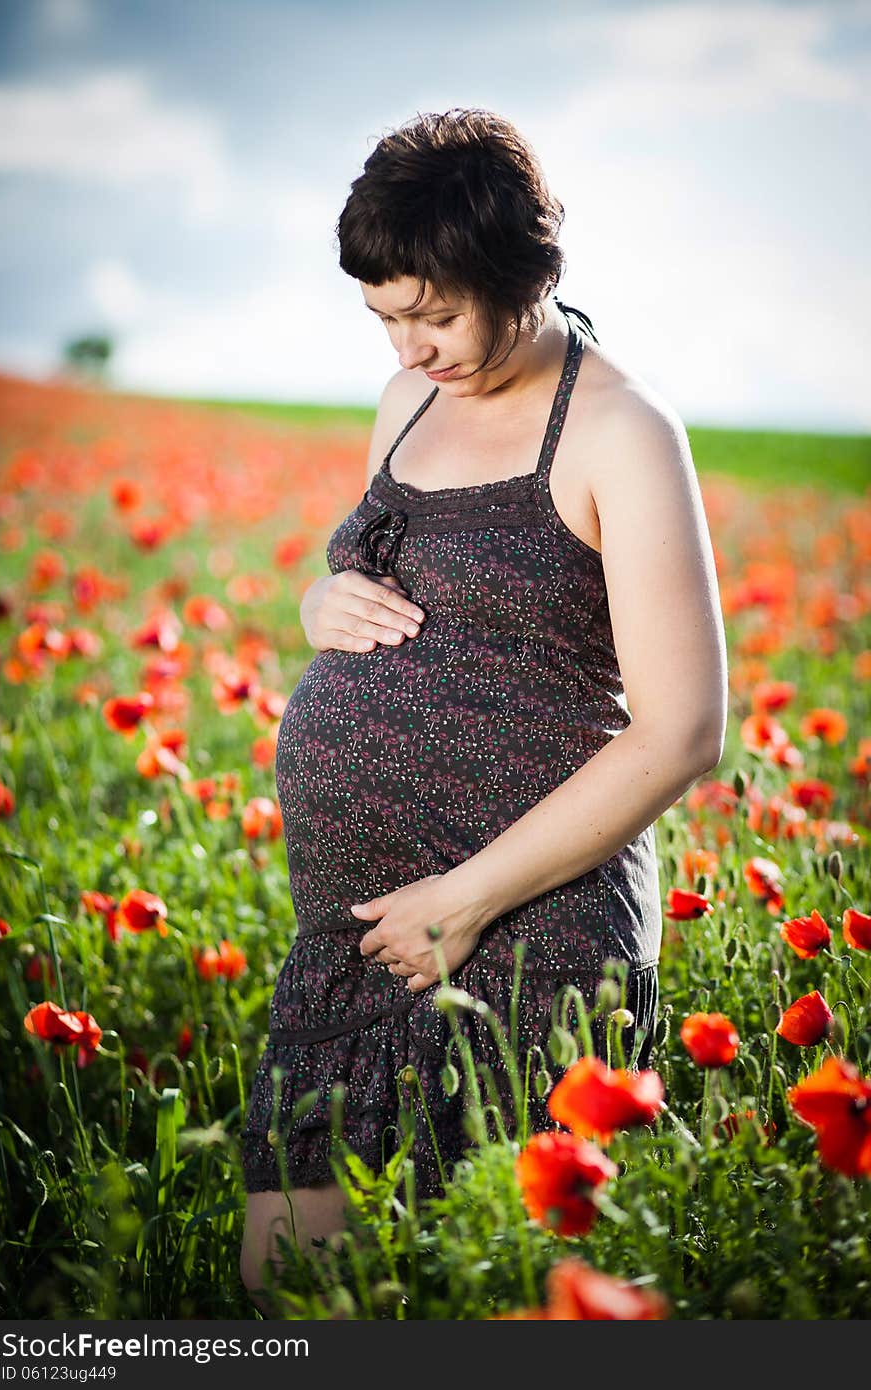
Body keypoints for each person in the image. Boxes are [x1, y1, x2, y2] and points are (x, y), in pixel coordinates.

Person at [239, 107, 727, 1314]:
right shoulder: (403, 401)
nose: (410, 348)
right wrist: (318, 603)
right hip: (352, 936)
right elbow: (382, 581)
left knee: (504, 1293)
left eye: (437, 313)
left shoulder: (621, 430)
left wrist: (461, 903)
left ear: (532, 274)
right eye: (385, 317)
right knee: (288, 1289)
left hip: (527, 936)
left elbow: (681, 730)